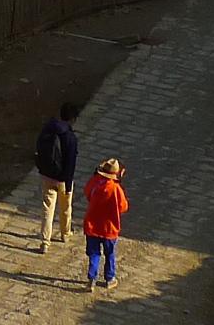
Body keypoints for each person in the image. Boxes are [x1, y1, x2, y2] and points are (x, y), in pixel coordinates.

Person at [33, 100, 79, 250]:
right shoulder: (70, 137)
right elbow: (70, 162)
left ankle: (45, 241)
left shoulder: (48, 128)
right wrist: (68, 183)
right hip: (62, 178)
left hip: (46, 175)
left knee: (47, 208)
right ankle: (65, 233)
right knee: (65, 207)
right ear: (73, 119)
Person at [83, 156, 129, 291]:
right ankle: (109, 278)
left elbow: (87, 193)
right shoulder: (116, 189)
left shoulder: (95, 182)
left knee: (94, 253)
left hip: (92, 225)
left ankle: (91, 279)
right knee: (109, 253)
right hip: (110, 228)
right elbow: (123, 207)